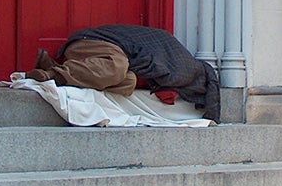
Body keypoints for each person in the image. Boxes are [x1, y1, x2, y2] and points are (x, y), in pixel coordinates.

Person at [26, 24, 220, 122]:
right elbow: (148, 65)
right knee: (118, 68)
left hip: (99, 57)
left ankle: (56, 68)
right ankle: (55, 74)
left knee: (129, 81)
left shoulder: (172, 60)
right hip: (88, 43)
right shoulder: (179, 64)